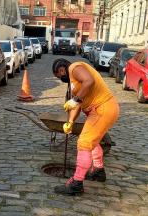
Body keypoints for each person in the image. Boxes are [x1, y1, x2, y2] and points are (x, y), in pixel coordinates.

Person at [51, 58, 120, 196]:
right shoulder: (75, 83)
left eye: (59, 76)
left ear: (61, 69)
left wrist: (74, 100)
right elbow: (77, 105)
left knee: (84, 142)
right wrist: (70, 122)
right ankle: (99, 172)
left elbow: (89, 81)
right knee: (93, 142)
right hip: (104, 109)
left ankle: (76, 184)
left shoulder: (74, 67)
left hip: (102, 108)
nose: (60, 78)